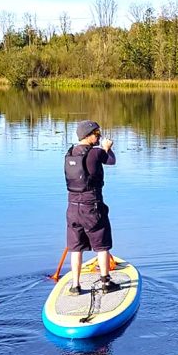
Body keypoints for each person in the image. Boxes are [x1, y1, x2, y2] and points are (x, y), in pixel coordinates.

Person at [64, 120, 117, 295]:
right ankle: (105, 282)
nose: (99, 136)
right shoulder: (95, 153)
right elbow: (111, 161)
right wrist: (107, 148)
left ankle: (76, 285)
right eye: (97, 133)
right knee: (102, 245)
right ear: (88, 136)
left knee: (76, 248)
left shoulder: (69, 153)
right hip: (92, 207)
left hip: (72, 208)